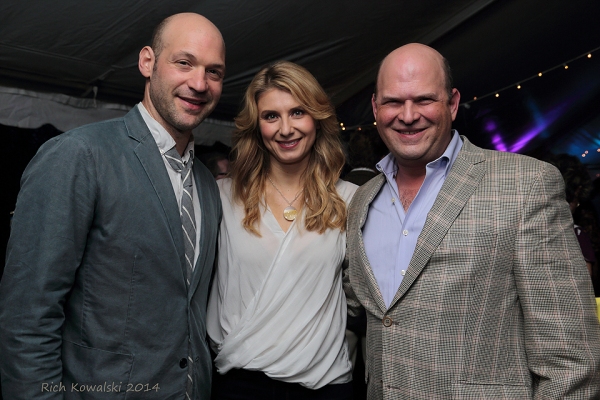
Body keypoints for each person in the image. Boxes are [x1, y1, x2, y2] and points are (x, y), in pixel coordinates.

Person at [343, 43, 600, 399]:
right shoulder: (361, 201)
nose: (407, 115)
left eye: (424, 99)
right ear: (375, 108)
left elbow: (571, 361)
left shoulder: (524, 184)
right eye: (392, 102)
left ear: (451, 103)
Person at [0, 13, 225, 400]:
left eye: (214, 72)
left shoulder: (206, 183)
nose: (199, 83)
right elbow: (28, 317)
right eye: (184, 62)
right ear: (147, 62)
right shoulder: (79, 155)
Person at [207, 61, 357, 399]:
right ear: (256, 125)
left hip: (324, 386)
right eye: (271, 116)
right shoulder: (223, 195)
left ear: (317, 118)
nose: (285, 129)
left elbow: (361, 295)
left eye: (298, 112)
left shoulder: (349, 200)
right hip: (240, 382)